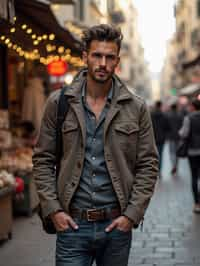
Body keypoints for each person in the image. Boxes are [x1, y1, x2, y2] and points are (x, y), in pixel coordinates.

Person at [33, 24, 158, 266]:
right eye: (97, 55)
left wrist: (131, 216)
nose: (103, 63)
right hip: (72, 225)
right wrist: (53, 209)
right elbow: (42, 159)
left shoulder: (136, 107)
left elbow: (148, 164)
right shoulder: (59, 103)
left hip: (116, 228)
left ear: (117, 61)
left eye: (110, 57)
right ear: (84, 57)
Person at [179, 98, 200, 213]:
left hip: (193, 151)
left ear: (193, 107)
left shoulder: (189, 118)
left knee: (194, 177)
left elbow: (183, 133)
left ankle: (197, 203)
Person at [151, 100, 170, 173]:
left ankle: (154, 170)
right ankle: (159, 170)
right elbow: (167, 127)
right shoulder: (164, 115)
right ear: (161, 106)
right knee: (160, 155)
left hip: (153, 138)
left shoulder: (151, 115)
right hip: (162, 138)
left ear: (156, 106)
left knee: (153, 155)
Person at [167, 103, 183, 175]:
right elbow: (182, 126)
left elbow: (166, 126)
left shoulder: (168, 116)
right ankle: (176, 165)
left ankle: (173, 165)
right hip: (178, 136)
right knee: (177, 152)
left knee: (172, 152)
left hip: (171, 137)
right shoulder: (180, 116)